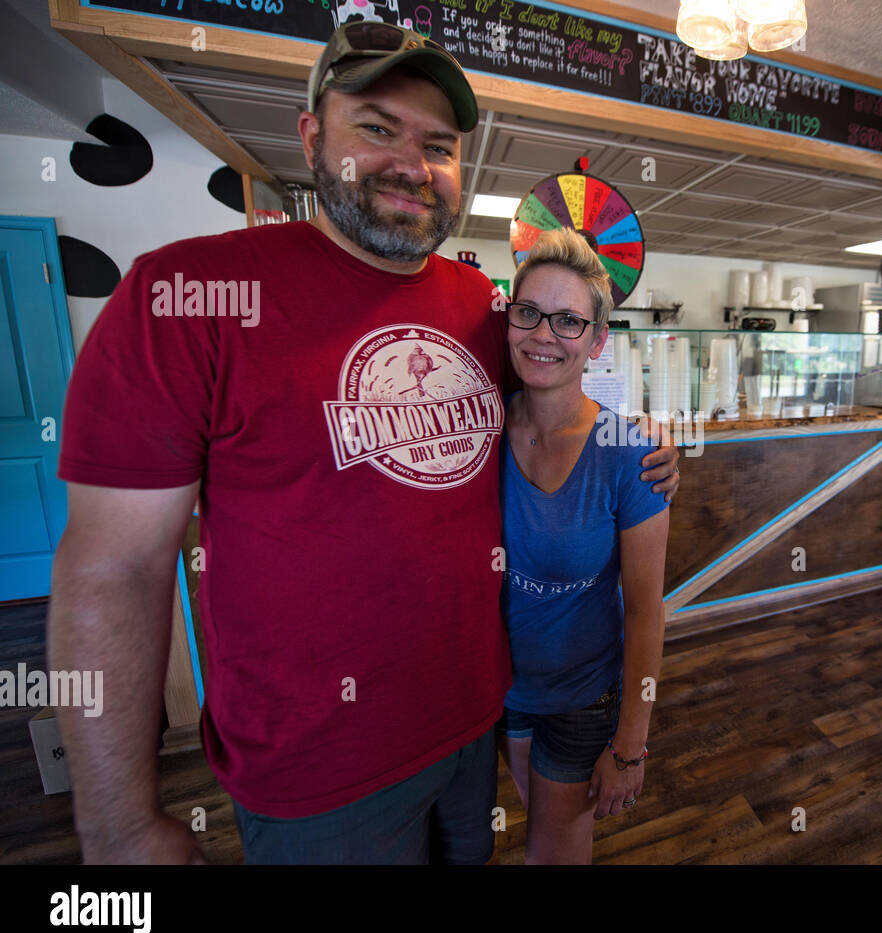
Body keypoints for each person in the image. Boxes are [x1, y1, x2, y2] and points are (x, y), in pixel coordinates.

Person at [48, 23, 678, 865]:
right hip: (317, 776)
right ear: (313, 137)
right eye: (377, 128)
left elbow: (553, 364)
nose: (413, 164)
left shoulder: (476, 303)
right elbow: (112, 568)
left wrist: (640, 434)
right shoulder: (184, 295)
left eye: (440, 144)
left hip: (473, 725)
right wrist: (119, 823)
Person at [497, 229, 669, 864]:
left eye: (569, 321)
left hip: (584, 699)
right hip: (501, 695)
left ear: (598, 341)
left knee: (553, 852)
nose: (544, 334)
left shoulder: (630, 452)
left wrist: (631, 742)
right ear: (509, 318)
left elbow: (647, 611)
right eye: (530, 312)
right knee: (537, 822)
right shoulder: (475, 430)